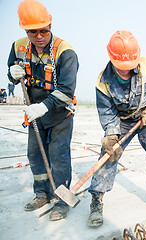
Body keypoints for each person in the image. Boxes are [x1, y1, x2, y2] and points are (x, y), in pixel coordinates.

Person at [87, 30, 146, 227]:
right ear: (111, 58)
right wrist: (111, 136)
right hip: (122, 120)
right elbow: (107, 113)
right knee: (108, 156)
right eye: (120, 67)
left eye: (129, 66)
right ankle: (96, 199)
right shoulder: (103, 81)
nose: (125, 70)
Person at [7, 0, 78, 221]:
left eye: (43, 31)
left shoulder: (65, 52)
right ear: (25, 30)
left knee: (58, 156)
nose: (39, 36)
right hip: (33, 110)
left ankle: (62, 199)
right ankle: (41, 194)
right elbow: (12, 75)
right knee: (35, 154)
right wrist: (12, 74)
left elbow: (66, 90)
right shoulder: (19, 46)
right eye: (32, 31)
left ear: (50, 26)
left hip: (59, 112)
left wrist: (43, 107)